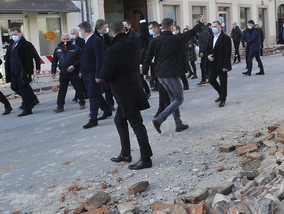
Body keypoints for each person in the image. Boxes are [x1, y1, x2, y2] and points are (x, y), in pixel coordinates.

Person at [100, 21, 153, 170]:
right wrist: (142, 20)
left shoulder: (112, 50)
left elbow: (105, 75)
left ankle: (146, 158)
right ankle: (125, 154)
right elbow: (144, 39)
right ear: (124, 30)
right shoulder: (133, 44)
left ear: (111, 33)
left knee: (137, 124)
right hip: (134, 87)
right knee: (119, 120)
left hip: (124, 93)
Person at [143, 17, 204, 134]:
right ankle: (159, 120)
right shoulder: (177, 39)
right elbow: (191, 32)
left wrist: (145, 72)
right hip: (171, 74)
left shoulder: (155, 41)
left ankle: (179, 124)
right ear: (171, 27)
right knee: (179, 99)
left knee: (173, 99)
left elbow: (147, 57)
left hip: (160, 74)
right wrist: (200, 23)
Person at [78, 21, 112, 129]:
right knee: (94, 93)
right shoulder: (87, 41)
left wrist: (98, 75)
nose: (80, 33)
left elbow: (99, 59)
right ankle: (107, 110)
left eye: (80, 31)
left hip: (93, 72)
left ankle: (93, 119)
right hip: (87, 72)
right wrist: (80, 70)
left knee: (93, 96)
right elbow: (84, 57)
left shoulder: (96, 40)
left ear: (83, 30)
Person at [4, 28, 40, 117]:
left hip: (23, 71)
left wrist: (33, 69)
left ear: (20, 34)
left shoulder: (26, 44)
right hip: (13, 70)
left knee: (23, 88)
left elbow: (34, 57)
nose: (14, 36)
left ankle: (28, 108)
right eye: (12, 35)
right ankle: (32, 99)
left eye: (15, 34)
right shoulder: (11, 44)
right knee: (14, 87)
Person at [51, 34, 85, 113]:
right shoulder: (58, 49)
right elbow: (54, 61)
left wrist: (75, 67)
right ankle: (60, 106)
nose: (66, 41)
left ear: (70, 39)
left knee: (78, 88)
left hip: (74, 72)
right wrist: (53, 71)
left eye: (67, 39)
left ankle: (82, 102)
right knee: (62, 90)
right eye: (64, 39)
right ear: (61, 40)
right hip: (63, 73)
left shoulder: (76, 48)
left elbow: (81, 59)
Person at [203, 20, 232, 107]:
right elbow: (207, 49)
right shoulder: (211, 37)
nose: (213, 28)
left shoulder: (225, 38)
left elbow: (228, 53)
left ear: (220, 27)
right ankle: (221, 93)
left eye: (215, 26)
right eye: (212, 27)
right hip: (213, 63)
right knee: (211, 79)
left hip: (222, 63)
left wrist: (226, 65)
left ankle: (223, 99)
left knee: (223, 82)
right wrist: (208, 56)